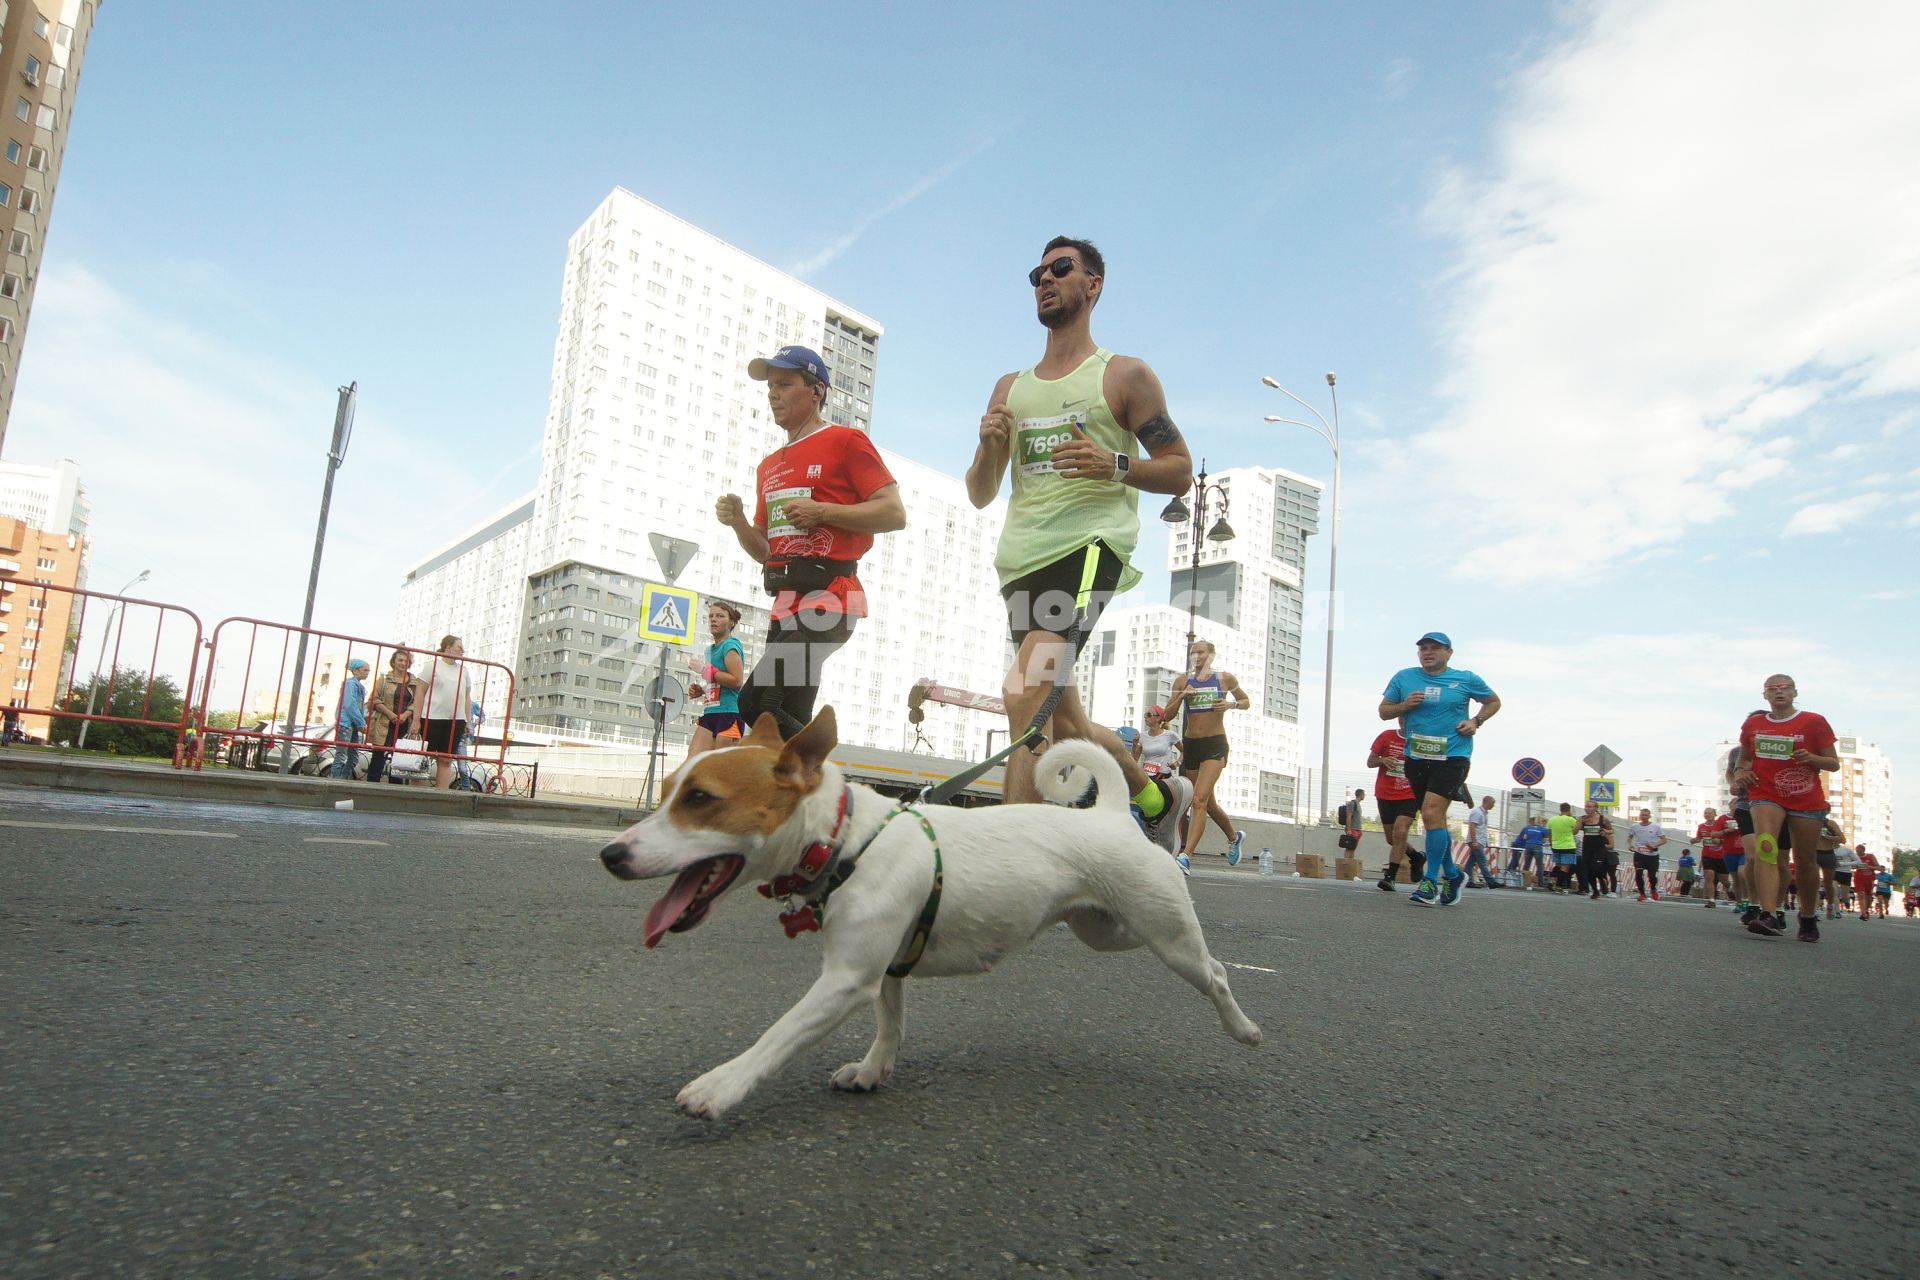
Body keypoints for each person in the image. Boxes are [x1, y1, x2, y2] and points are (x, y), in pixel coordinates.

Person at [965, 236, 1195, 853]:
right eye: (1036, 272)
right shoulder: (1009, 387)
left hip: (1088, 550)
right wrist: (989, 450)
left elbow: (1178, 469)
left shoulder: (1123, 375)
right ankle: (1156, 797)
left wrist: (1114, 464)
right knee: (1059, 719)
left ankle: (1009, 862)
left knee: (1024, 691)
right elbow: (981, 493)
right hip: (1020, 561)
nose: (1045, 279)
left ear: (1092, 284)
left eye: (1060, 268)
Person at [718, 345, 905, 740]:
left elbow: (894, 513)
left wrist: (823, 512)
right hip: (784, 605)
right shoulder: (768, 466)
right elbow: (765, 550)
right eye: (770, 386)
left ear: (816, 390)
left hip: (830, 600)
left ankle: (827, 767)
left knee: (755, 704)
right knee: (785, 715)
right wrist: (738, 523)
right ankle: (811, 785)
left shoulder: (846, 441)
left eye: (784, 384)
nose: (773, 394)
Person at [1378, 632, 1500, 908]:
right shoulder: (1404, 678)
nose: (1428, 653)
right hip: (1417, 756)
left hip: (1453, 755)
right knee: (1434, 819)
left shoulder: (1466, 679)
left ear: (1449, 652)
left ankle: (1430, 881)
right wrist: (1405, 705)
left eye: (1435, 648)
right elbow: (1384, 711)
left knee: (1432, 812)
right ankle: (1454, 875)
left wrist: (1475, 721)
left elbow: (1493, 701)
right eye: (1423, 649)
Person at [1734, 674, 1840, 941]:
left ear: (1794, 692)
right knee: (1766, 847)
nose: (1779, 693)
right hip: (1765, 792)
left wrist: (1812, 757)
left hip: (1805, 797)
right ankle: (1769, 914)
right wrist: (1740, 773)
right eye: (1772, 689)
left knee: (1804, 861)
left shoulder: (1814, 722)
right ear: (1765, 696)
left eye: (1784, 688)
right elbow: (1745, 759)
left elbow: (1833, 763)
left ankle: (1807, 916)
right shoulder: (1753, 724)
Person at [1167, 640, 1251, 867]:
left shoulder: (1225, 679)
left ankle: (1186, 856)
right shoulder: (1182, 681)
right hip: (1192, 745)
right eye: (1193, 653)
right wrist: (1182, 695)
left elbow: (1245, 701)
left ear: (1211, 655)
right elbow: (1166, 715)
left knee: (1199, 800)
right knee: (1208, 804)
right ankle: (1234, 837)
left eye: (1201, 652)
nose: (1196, 656)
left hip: (1215, 744)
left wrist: (1230, 705)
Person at [684, 601, 747, 761]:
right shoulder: (709, 650)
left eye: (720, 616)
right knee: (692, 763)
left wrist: (705, 670)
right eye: (711, 616)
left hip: (728, 713)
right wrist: (701, 689)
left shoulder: (730, 646)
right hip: (710, 713)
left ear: (731, 622)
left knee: (721, 768)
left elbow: (736, 681)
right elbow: (714, 679)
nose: (713, 619)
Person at [1369, 727, 1422, 891]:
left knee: (1400, 832)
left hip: (1409, 794)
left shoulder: (1421, 739)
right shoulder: (1386, 736)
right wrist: (1382, 760)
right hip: (1385, 794)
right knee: (1392, 839)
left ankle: (1390, 877)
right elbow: (1370, 761)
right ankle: (1416, 856)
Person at [420, 635, 473, 790]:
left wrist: (468, 721)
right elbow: (420, 692)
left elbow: (467, 698)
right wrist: (416, 719)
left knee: (446, 760)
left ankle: (441, 796)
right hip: (431, 717)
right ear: (448, 648)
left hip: (456, 720)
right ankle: (416, 794)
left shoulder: (464, 670)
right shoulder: (432, 666)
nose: (462, 651)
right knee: (424, 758)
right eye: (459, 647)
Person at [365, 649, 421, 784]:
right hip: (384, 722)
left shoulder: (414, 681)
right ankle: (371, 787)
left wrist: (405, 714)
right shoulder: (384, 679)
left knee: (400, 758)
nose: (403, 663)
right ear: (393, 662)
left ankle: (395, 789)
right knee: (379, 756)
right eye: (400, 660)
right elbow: (374, 699)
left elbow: (417, 702)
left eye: (406, 661)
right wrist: (391, 715)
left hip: (404, 724)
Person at [331, 658, 370, 780]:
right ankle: (336, 781)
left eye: (368, 670)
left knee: (353, 758)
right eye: (365, 670)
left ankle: (342, 779)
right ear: (355, 670)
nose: (367, 672)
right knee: (341, 756)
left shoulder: (358, 686)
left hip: (351, 725)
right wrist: (361, 722)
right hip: (345, 724)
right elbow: (350, 704)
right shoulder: (350, 684)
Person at [1695, 806, 1735, 908]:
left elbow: (1728, 837)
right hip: (1707, 855)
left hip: (1721, 856)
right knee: (1709, 877)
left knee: (1724, 881)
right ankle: (1711, 900)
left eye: (1710, 813)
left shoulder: (1720, 824)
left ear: (1714, 814)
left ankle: (1729, 890)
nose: (1707, 815)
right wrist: (1694, 840)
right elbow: (1699, 837)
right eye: (1705, 813)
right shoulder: (1701, 826)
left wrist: (1720, 841)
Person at [1132, 705, 1182, 780]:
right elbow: (1134, 759)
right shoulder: (1142, 736)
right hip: (1147, 777)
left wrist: (1177, 763)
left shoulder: (1170, 735)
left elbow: (1185, 751)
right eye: (1145, 715)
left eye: (1148, 715)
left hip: (1164, 776)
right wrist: (1134, 745)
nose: (1145, 717)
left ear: (1158, 718)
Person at [1627, 808, 1667, 901]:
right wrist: (1630, 845)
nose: (1643, 817)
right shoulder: (1634, 826)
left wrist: (1654, 845)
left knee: (1652, 875)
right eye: (1642, 815)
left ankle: (1653, 890)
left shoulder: (1656, 827)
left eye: (1646, 815)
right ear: (1639, 816)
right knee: (1639, 872)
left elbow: (1664, 839)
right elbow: (1630, 837)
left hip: (1652, 855)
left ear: (1649, 816)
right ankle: (1642, 894)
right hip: (1639, 853)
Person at [1462, 795, 1500, 889]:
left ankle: (1466, 881)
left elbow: (1482, 829)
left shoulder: (1484, 813)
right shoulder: (1477, 812)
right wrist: (1474, 841)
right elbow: (1472, 826)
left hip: (1479, 841)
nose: (1493, 805)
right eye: (1493, 803)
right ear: (1487, 802)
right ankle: (1491, 882)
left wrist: (1485, 841)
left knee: (1470, 862)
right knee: (1482, 862)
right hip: (1476, 841)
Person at [1577, 802, 1613, 899]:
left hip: (1599, 848)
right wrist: (1579, 822)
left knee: (1595, 868)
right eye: (1586, 807)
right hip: (1587, 847)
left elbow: (1611, 830)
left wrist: (1605, 831)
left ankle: (1602, 880)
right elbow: (1574, 831)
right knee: (1588, 871)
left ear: (1595, 808)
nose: (1587, 809)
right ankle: (1595, 891)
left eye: (1590, 807)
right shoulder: (1582, 819)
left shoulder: (1602, 819)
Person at [1546, 802, 1580, 893]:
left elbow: (1549, 833)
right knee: (1564, 867)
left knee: (1558, 865)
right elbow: (1575, 832)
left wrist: (1551, 843)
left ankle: (1552, 879)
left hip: (1555, 845)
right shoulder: (1571, 820)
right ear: (1569, 810)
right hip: (1568, 846)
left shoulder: (1552, 820)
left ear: (1560, 809)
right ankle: (1559, 886)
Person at [1513, 814, 1550, 889]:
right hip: (1538, 846)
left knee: (1527, 864)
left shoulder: (1528, 828)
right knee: (1539, 865)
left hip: (1528, 846)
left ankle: (1525, 882)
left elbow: (1523, 836)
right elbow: (1547, 836)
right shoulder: (1543, 829)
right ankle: (1541, 883)